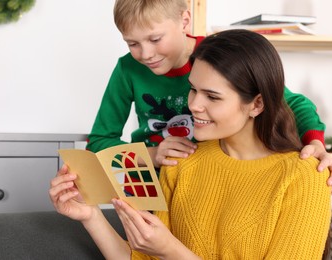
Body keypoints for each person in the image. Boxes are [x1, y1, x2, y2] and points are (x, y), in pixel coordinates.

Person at [50, 29, 331, 259]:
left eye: (212, 96)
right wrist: (90, 216)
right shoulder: (181, 162)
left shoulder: (304, 178)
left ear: (256, 104)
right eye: (193, 89)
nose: (194, 105)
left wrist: (171, 251)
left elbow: (167, 252)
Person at [85, 0, 332, 190]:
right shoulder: (128, 69)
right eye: (132, 43)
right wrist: (152, 155)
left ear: (184, 20)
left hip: (209, 179)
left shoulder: (216, 56)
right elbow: (99, 142)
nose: (146, 54)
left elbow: (291, 101)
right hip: (154, 185)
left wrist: (315, 142)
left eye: (155, 39)